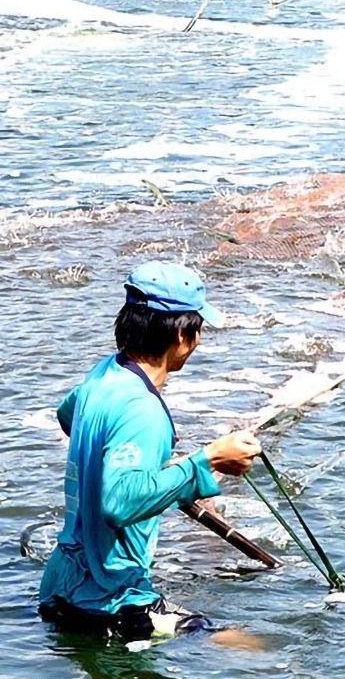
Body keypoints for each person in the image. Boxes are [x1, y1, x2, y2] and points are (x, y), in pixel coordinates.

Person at [39, 261, 262, 641]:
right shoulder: (143, 410)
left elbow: (67, 416)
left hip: (60, 586)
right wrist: (205, 461)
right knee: (247, 643)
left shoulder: (104, 374)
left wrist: (149, 474)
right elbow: (119, 503)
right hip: (111, 605)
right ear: (181, 335)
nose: (199, 341)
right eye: (198, 329)